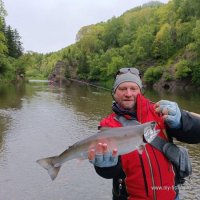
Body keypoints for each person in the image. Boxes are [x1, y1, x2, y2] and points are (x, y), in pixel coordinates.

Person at [88, 67, 200, 200]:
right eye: (123, 89)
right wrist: (104, 167)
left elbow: (195, 135)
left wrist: (182, 121)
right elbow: (110, 172)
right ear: (114, 92)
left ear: (140, 91)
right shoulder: (107, 125)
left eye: (133, 89)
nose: (128, 93)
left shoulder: (160, 110)